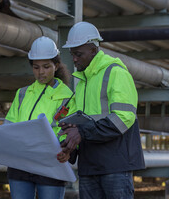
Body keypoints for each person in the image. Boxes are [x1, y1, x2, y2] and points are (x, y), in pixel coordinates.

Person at [0, 36, 75, 199]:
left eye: (46, 67)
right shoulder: (22, 94)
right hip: (20, 164)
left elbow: (69, 133)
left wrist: (67, 149)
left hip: (50, 164)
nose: (41, 72)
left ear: (56, 66)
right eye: (36, 67)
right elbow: (8, 128)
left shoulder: (68, 97)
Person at [57, 21, 145, 199]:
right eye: (72, 54)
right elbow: (78, 125)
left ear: (93, 49)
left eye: (78, 54)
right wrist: (70, 148)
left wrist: (81, 133)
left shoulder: (116, 72)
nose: (74, 59)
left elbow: (124, 118)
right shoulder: (82, 83)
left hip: (115, 166)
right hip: (89, 166)